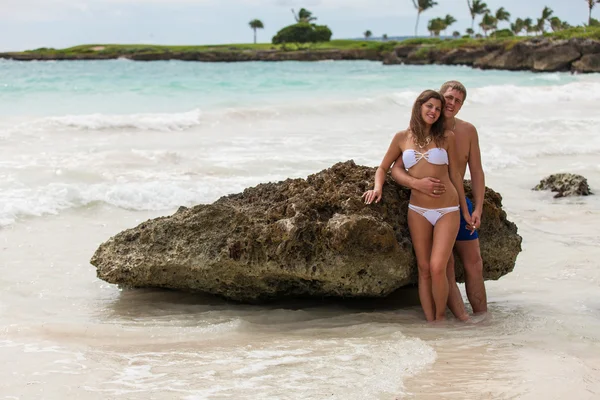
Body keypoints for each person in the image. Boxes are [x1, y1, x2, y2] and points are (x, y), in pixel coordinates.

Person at [362, 90, 472, 322]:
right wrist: (378, 188)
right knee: (423, 268)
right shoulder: (402, 137)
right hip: (418, 211)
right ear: (419, 106)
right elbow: (384, 168)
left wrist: (466, 209)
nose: (433, 111)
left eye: (438, 109)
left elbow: (455, 175)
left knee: (436, 266)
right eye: (429, 106)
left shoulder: (447, 137)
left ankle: (440, 318)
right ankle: (431, 321)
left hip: (447, 209)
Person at [391, 81, 487, 321]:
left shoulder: (466, 131)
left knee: (474, 262)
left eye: (458, 101)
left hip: (457, 203)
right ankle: (460, 319)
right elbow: (398, 165)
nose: (452, 104)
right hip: (425, 206)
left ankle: (484, 320)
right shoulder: (420, 131)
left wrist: (478, 208)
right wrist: (414, 184)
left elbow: (476, 172)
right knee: (443, 267)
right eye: (449, 98)